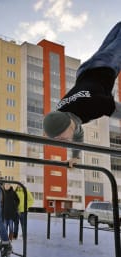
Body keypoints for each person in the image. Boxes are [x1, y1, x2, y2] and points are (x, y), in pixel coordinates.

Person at [43, 22, 121, 167]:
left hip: (104, 66)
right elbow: (77, 135)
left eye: (60, 138)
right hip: (85, 72)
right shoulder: (66, 115)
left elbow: (115, 109)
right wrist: (76, 157)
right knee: (110, 43)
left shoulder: (92, 105)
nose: (61, 142)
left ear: (66, 125)